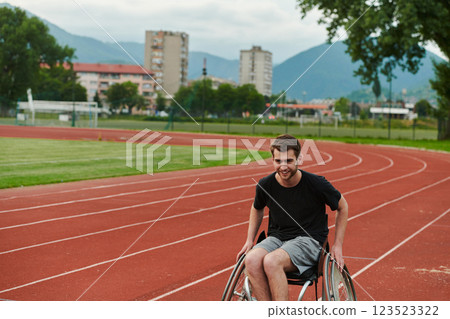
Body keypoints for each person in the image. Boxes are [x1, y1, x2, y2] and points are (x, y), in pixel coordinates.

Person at [237, 134, 348, 301]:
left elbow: (343, 206)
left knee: (271, 261)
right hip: (277, 238)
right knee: (251, 259)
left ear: (299, 159)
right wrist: (249, 240)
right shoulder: (265, 185)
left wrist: (338, 245)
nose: (283, 167)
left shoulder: (316, 184)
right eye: (278, 161)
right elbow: (256, 208)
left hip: (308, 240)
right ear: (272, 160)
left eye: (288, 161)